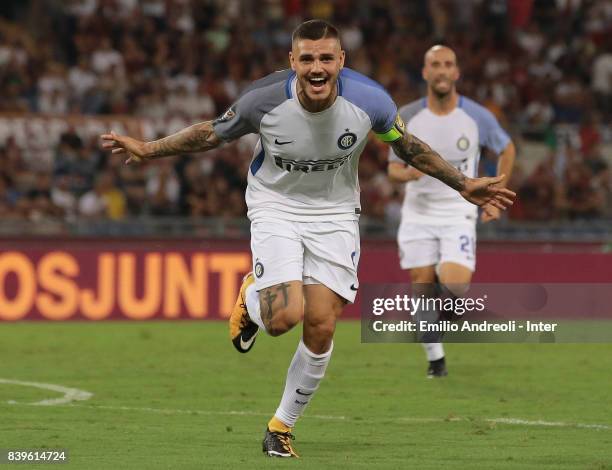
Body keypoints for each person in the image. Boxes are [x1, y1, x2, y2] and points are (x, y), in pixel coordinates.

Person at [102, 21, 515, 458]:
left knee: (320, 324)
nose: (316, 68)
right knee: (284, 319)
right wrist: (149, 148)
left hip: (335, 213)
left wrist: (462, 183)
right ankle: (252, 296)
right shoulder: (263, 101)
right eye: (307, 59)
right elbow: (209, 133)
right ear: (292, 62)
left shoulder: (371, 102)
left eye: (325, 58)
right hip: (275, 206)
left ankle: (280, 426)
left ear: (341, 61)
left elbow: (408, 147)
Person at [388, 45, 516, 378]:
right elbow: (393, 170)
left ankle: (431, 322)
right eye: (435, 65)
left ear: (457, 73)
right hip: (417, 211)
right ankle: (436, 360)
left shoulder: (477, 116)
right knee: (421, 282)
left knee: (456, 286)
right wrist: (410, 173)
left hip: (458, 211)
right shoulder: (407, 116)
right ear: (425, 72)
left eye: (448, 65)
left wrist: (495, 194)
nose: (442, 70)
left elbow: (507, 147)